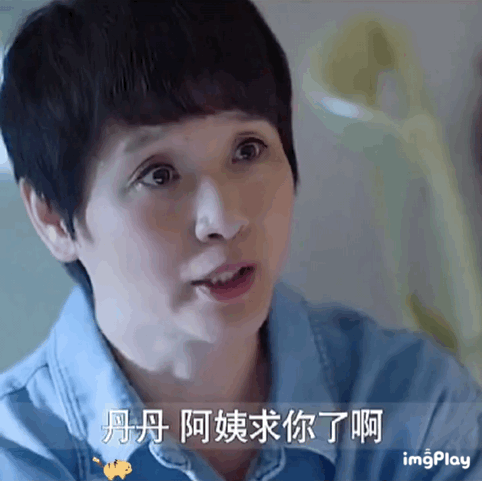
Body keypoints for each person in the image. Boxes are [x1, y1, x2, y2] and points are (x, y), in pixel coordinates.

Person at [0, 1, 481, 480]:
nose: (224, 219)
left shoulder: (414, 403)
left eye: (248, 150)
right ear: (53, 219)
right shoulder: (23, 451)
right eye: (158, 174)